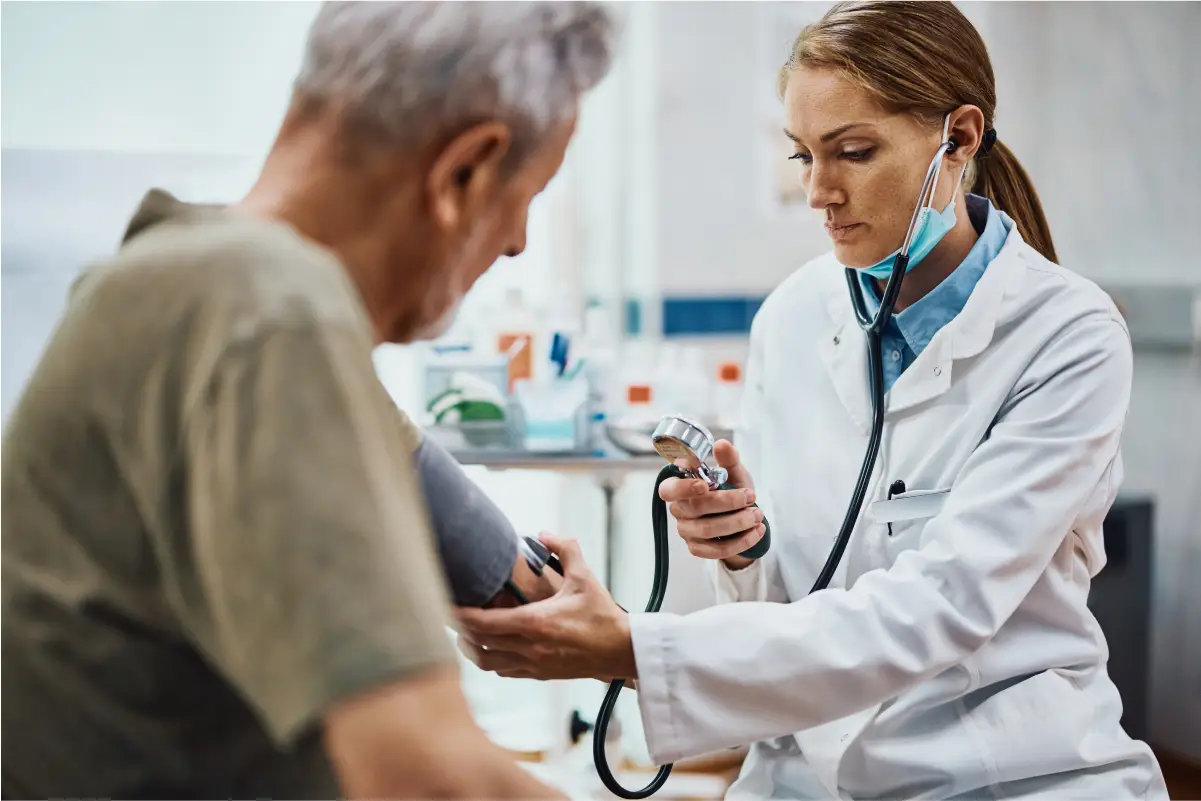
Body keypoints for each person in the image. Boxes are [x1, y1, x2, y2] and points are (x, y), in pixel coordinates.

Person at [455, 2, 1170, 798]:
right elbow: (789, 597)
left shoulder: (1066, 333)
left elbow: (939, 608)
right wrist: (742, 545)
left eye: (853, 152)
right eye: (802, 156)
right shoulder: (794, 316)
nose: (818, 193)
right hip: (804, 774)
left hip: (1005, 773)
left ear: (958, 138)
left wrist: (629, 647)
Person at [0, 2, 614, 797]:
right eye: (526, 194)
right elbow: (425, 773)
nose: (517, 242)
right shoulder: (270, 311)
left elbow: (392, 461)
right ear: (463, 172)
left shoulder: (176, 276)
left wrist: (530, 587)